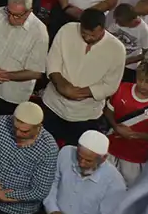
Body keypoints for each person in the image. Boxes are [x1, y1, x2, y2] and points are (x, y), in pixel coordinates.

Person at [42, 8, 126, 145]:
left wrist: (81, 93)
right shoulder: (67, 30)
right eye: (84, 34)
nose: (87, 38)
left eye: (93, 36)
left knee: (76, 155)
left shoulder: (117, 49)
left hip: (86, 115)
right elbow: (53, 62)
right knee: (43, 147)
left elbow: (111, 85)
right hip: (53, 105)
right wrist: (63, 87)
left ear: (102, 29)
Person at [40, 131, 128, 214]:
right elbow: (52, 183)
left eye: (88, 161)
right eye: (79, 157)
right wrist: (53, 210)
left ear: (103, 158)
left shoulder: (115, 184)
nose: (81, 163)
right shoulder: (66, 153)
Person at [0, 0, 49, 116]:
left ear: (29, 12)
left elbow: (36, 71)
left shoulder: (40, 33)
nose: (10, 18)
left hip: (10, 95)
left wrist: (3, 75)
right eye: (9, 12)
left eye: (17, 15)